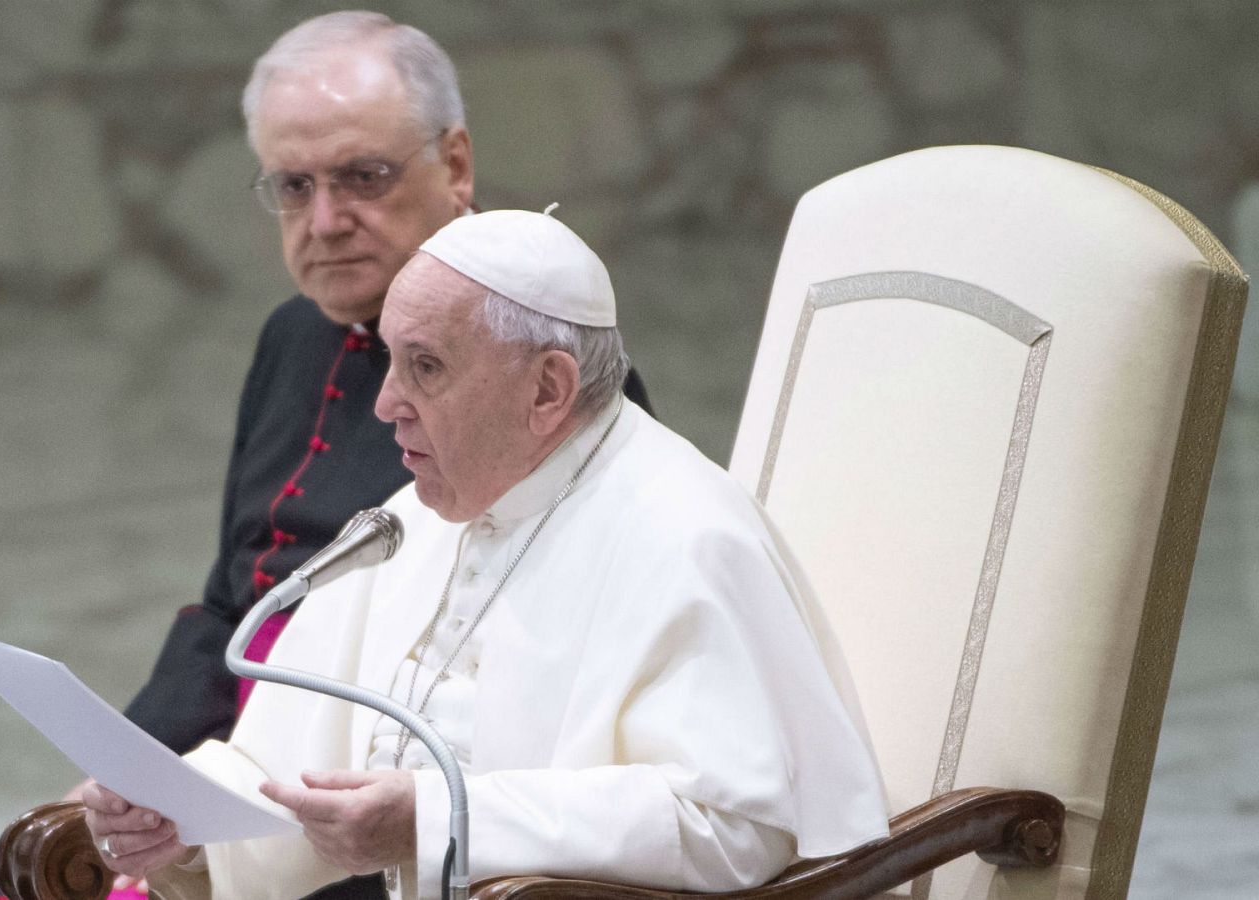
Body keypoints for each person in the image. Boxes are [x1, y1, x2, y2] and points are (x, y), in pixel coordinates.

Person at [0, 12, 650, 900]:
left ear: (456, 165)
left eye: (364, 177)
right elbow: (229, 606)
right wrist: (115, 782)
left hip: (368, 824)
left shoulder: (540, 382)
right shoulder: (292, 337)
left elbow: (529, 694)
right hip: (223, 785)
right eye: (293, 185)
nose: (325, 222)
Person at [81, 210, 890, 900]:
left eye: (425, 367)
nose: (385, 403)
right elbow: (285, 762)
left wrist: (437, 819)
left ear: (547, 390)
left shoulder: (687, 535)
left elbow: (733, 827)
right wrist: (182, 819)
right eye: (390, 359)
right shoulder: (420, 514)